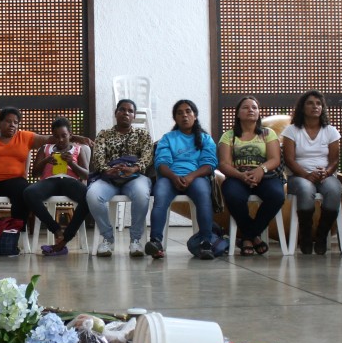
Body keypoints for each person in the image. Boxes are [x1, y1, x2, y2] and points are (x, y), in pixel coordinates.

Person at [0, 106, 92, 254]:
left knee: (22, 195)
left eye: (16, 122)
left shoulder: (25, 137)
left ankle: (14, 241)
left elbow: (54, 137)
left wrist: (76, 138)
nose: (12, 125)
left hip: (14, 180)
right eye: (8, 121)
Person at [146, 99, 221, 260]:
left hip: (197, 177)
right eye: (179, 113)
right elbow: (161, 163)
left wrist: (190, 176)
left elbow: (209, 164)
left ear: (195, 115)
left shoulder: (206, 139)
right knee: (160, 198)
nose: (184, 116)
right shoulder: (168, 138)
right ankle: (156, 242)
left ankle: (206, 243)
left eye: (188, 111)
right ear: (175, 118)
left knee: (203, 196)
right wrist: (174, 177)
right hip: (169, 177)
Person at [86, 99, 154, 257]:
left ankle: (135, 240)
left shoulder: (142, 134)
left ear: (134, 116)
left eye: (130, 111)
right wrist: (107, 170)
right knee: (93, 195)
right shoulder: (104, 134)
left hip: (135, 177)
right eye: (122, 110)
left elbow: (147, 156)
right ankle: (107, 239)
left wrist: (134, 168)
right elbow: (98, 158)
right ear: (116, 113)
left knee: (142, 194)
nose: (126, 113)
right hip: (109, 178)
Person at [218, 96, 285, 256]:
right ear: (238, 114)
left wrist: (260, 170)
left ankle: (247, 237)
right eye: (245, 107)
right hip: (237, 177)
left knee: (277, 196)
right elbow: (224, 164)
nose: (250, 110)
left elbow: (275, 159)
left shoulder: (268, 134)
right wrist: (241, 176)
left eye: (254, 107)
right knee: (233, 195)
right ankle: (254, 237)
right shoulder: (228, 136)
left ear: (258, 113)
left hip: (265, 176)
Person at [283, 90, 342, 255]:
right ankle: (306, 235)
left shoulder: (330, 130)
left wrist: (327, 172)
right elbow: (289, 160)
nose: (315, 106)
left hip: (325, 175)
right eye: (310, 103)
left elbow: (334, 161)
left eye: (318, 103)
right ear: (302, 108)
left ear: (322, 108)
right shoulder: (291, 130)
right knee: (306, 189)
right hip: (299, 176)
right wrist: (306, 175)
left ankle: (322, 235)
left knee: (334, 190)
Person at [23, 117, 91, 256]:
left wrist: (71, 163)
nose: (60, 140)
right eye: (56, 136)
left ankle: (66, 237)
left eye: (64, 136)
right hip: (49, 182)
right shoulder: (45, 148)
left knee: (90, 196)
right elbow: (35, 173)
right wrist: (46, 161)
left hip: (70, 182)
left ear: (70, 135)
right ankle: (56, 229)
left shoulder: (78, 149)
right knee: (29, 193)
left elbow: (85, 175)